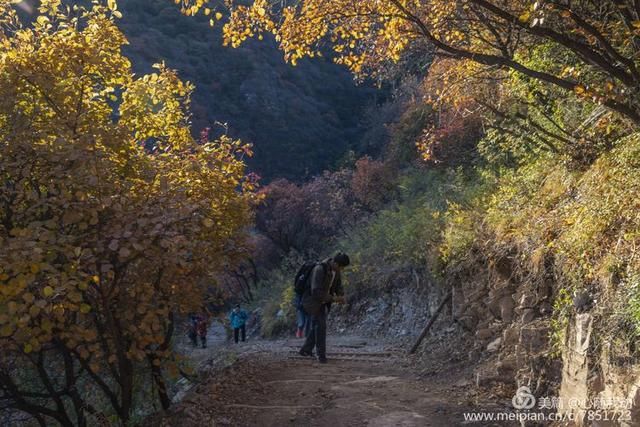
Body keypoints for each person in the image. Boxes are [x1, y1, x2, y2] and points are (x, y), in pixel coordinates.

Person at [300, 252, 350, 363]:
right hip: (312, 301)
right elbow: (316, 292)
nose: (341, 270)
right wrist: (334, 299)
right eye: (340, 267)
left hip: (323, 302)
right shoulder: (319, 269)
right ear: (335, 263)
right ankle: (321, 355)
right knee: (321, 327)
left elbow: (338, 285)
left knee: (317, 326)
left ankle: (306, 349)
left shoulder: (336, 271)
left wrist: (341, 295)